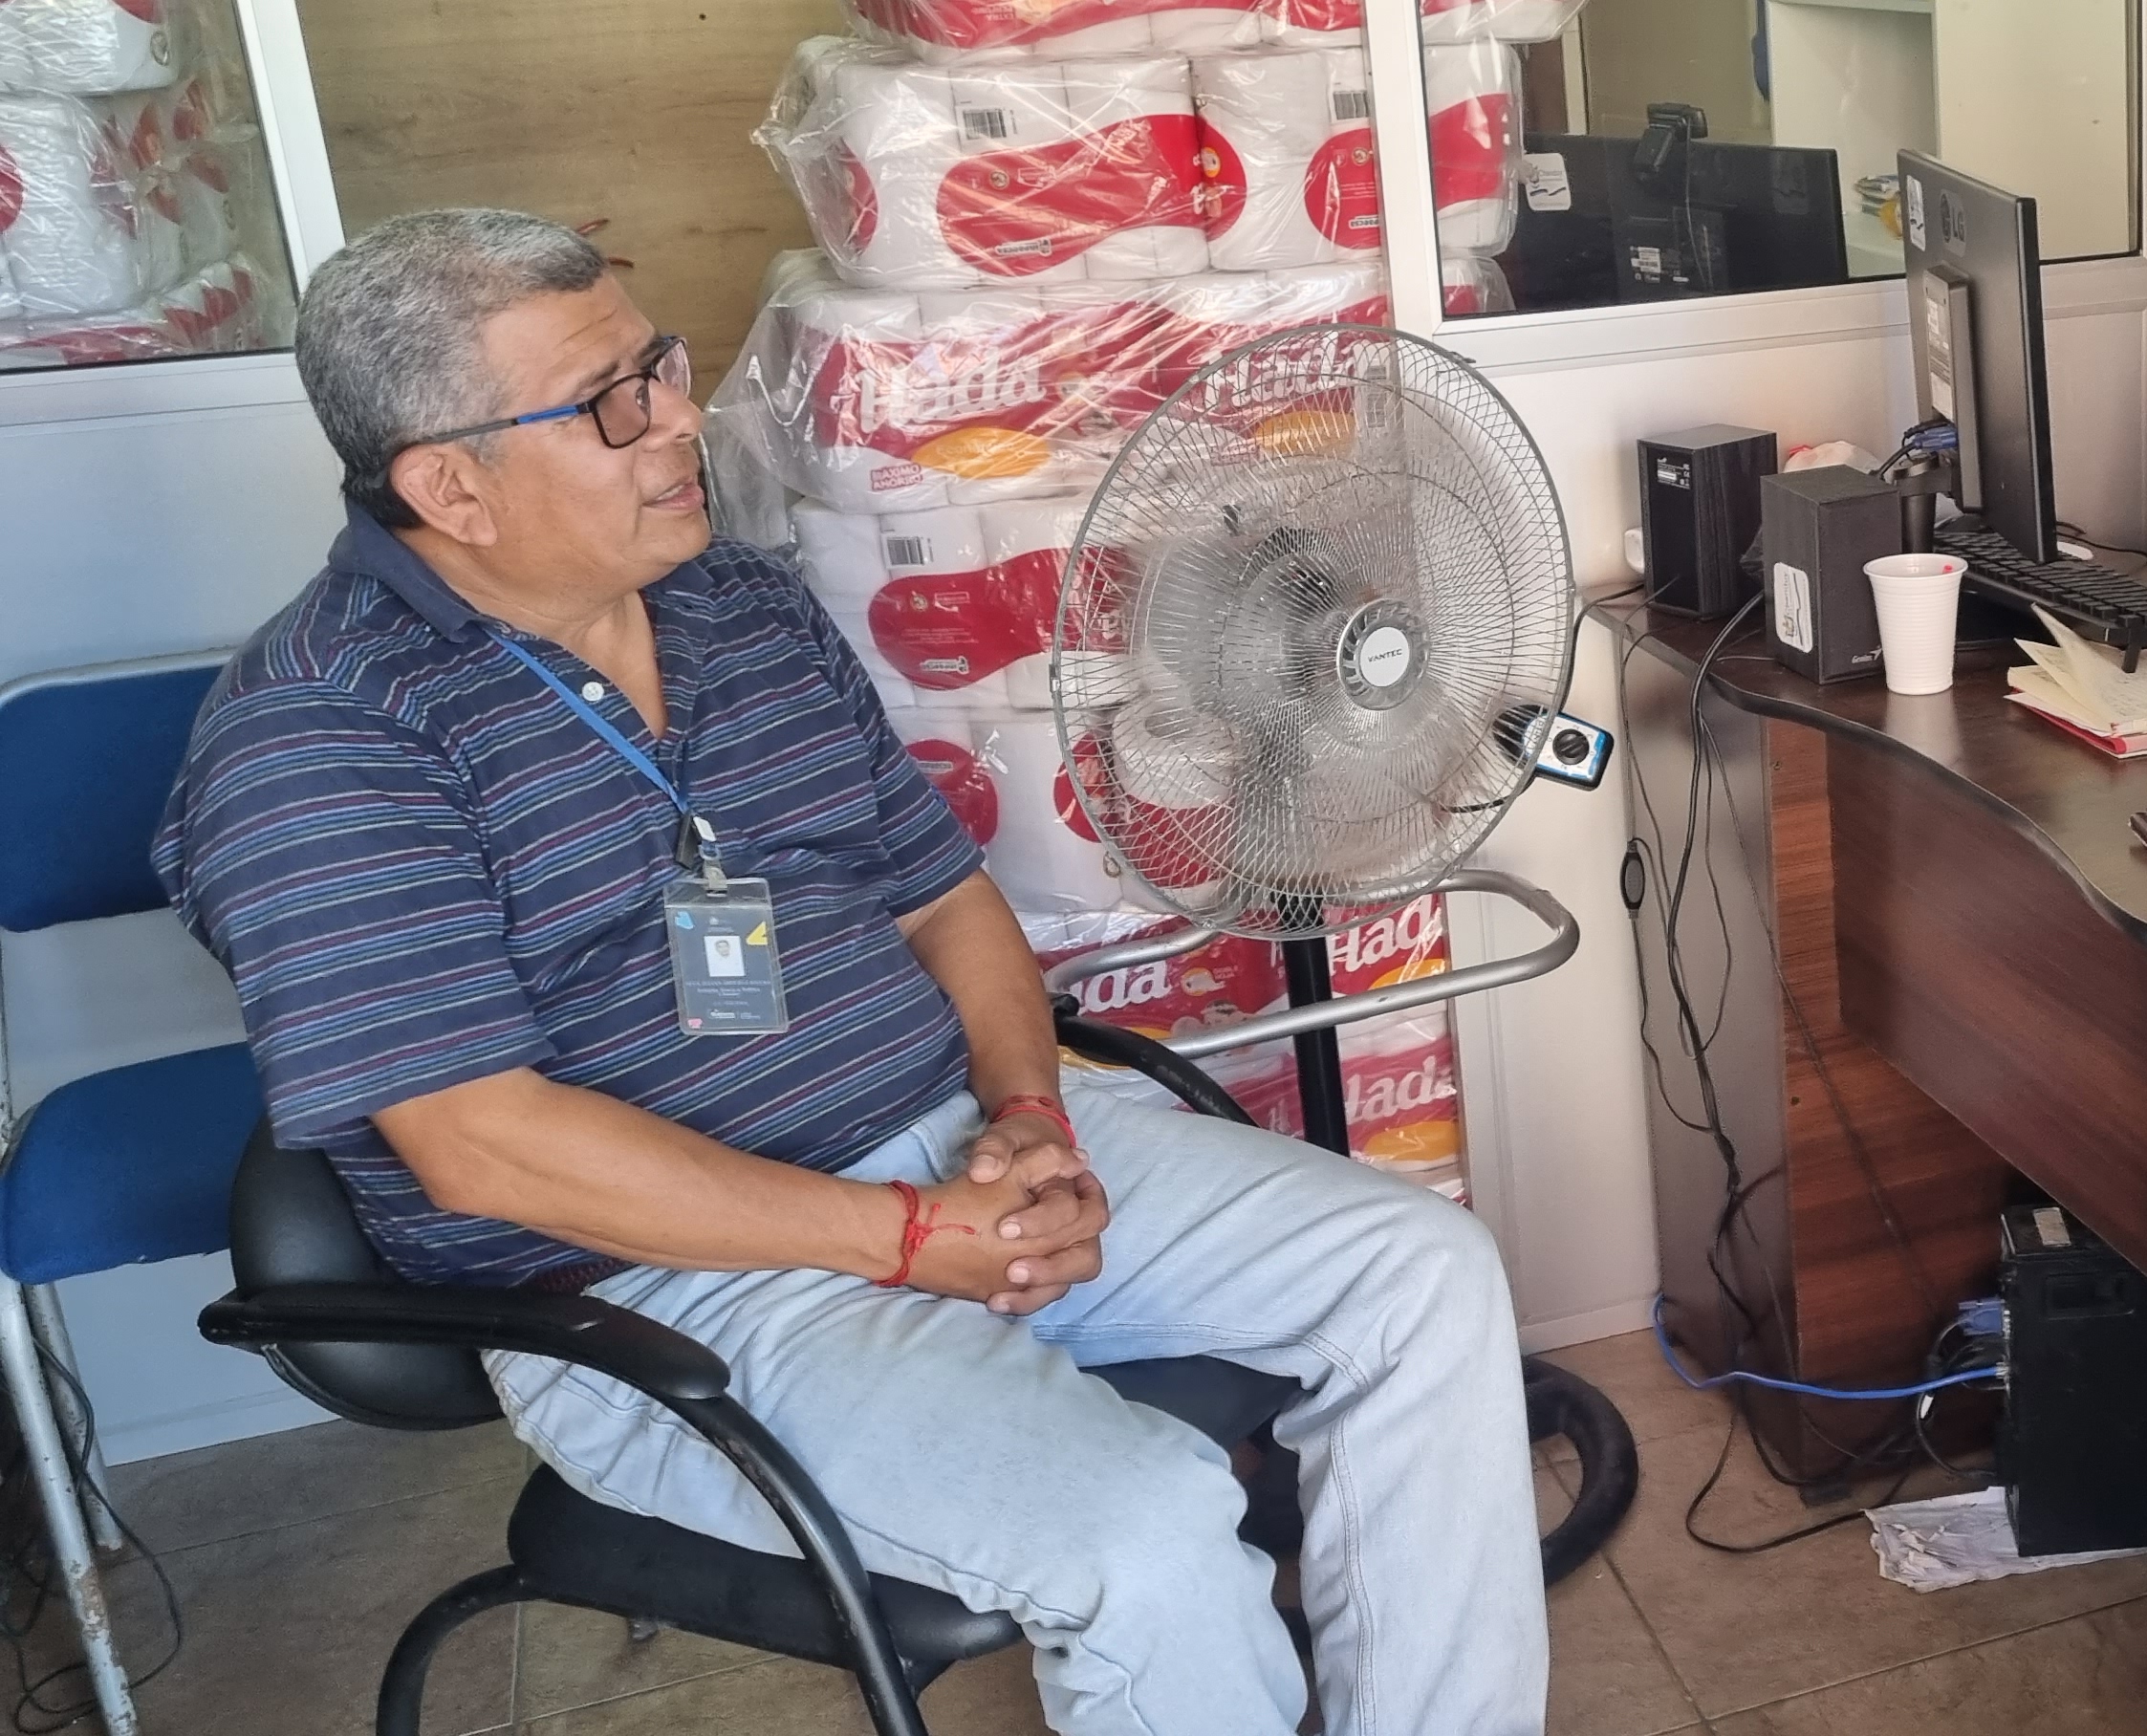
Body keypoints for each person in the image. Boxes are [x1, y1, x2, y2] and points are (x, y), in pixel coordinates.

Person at [151, 209, 1545, 1736]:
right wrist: (901, 1239)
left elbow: (945, 899)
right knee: (1143, 1529)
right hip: (673, 1289)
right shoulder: (318, 734)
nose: (677, 419)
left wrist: (1030, 1115)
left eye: (660, 366)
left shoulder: (738, 604)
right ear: (449, 486)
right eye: (610, 402)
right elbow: (480, 1145)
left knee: (1420, 1276)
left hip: (959, 1157)